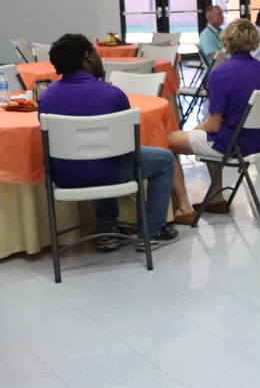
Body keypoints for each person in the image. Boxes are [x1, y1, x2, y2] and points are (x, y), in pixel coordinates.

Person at [38, 34, 179, 250]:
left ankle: (108, 229)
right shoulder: (112, 94)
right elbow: (126, 146)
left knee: (101, 157)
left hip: (64, 176)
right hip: (108, 172)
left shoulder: (46, 98)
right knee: (164, 159)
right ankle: (152, 232)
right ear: (88, 56)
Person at [167, 19, 260, 218]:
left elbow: (213, 125)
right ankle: (216, 199)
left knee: (166, 141)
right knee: (211, 134)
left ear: (226, 41)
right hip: (259, 141)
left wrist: (199, 127)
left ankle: (183, 206)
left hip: (232, 144)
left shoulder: (220, 74)